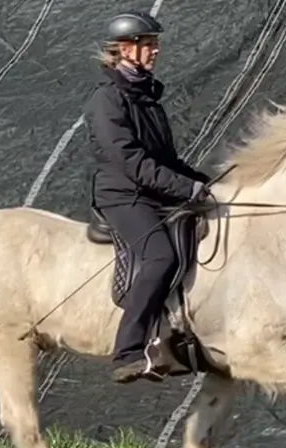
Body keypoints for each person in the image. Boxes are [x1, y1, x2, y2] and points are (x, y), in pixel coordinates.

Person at [83, 10, 211, 384]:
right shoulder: (108, 100)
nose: (155, 51)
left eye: (155, 44)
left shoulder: (147, 97)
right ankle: (128, 351)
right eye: (149, 44)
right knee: (160, 256)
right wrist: (186, 189)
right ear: (125, 49)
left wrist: (205, 183)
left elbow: (166, 160)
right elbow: (131, 162)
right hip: (124, 196)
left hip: (153, 190)